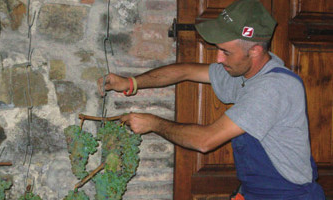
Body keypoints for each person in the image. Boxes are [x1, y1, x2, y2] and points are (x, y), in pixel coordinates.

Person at [97, 0, 325, 199]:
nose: (218, 58)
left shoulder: (273, 88)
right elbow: (185, 71)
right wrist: (130, 83)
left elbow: (205, 141)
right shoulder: (245, 72)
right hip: (255, 192)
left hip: (287, 195)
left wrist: (153, 123)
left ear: (255, 51)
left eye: (226, 52)